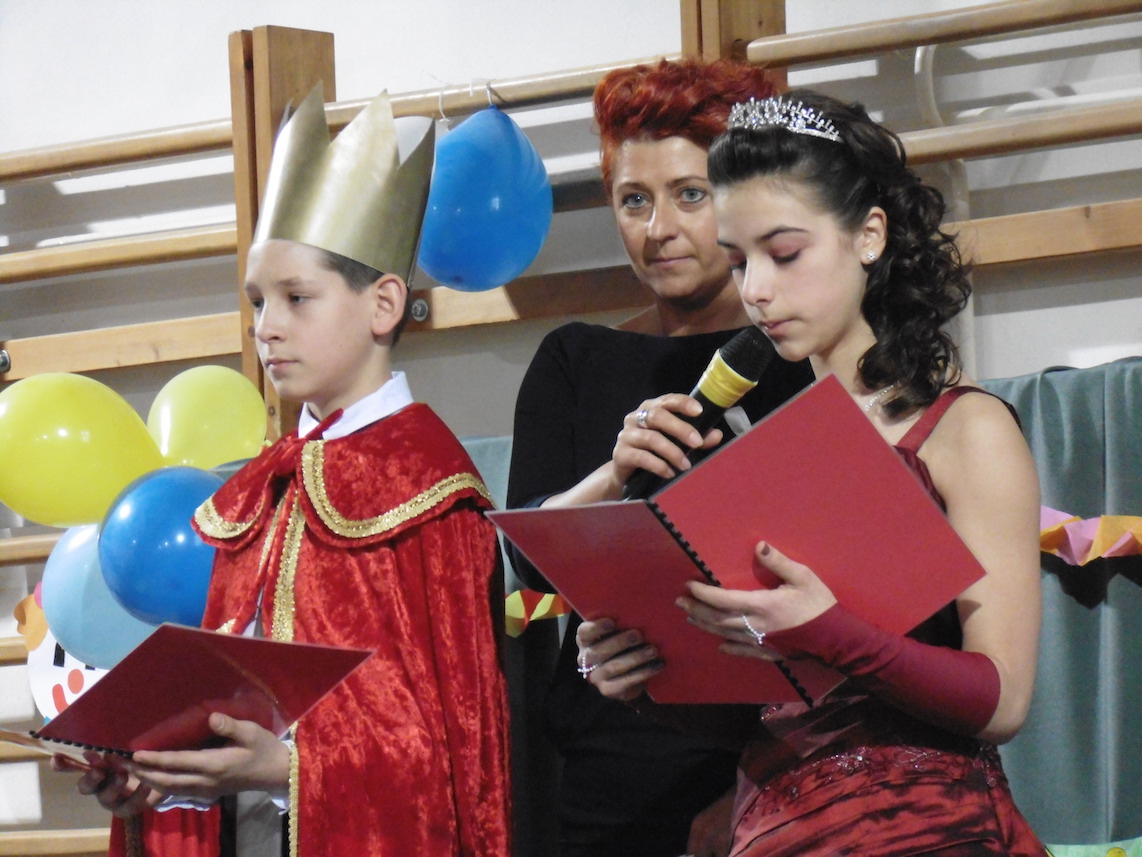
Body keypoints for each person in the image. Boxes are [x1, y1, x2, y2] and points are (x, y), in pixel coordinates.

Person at [576, 89, 1048, 856]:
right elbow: (780, 715)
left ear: (869, 236)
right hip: (773, 830)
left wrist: (826, 629)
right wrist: (648, 681)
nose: (755, 289)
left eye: (785, 253)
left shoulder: (967, 429)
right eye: (739, 260)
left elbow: (1005, 699)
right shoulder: (765, 449)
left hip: (925, 832)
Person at [59, 88, 512, 857]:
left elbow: (457, 765)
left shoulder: (430, 497)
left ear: (384, 304)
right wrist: (156, 773)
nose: (267, 327)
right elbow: (223, 720)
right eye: (257, 301)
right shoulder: (259, 494)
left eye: (297, 298)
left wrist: (289, 770)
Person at [505, 59, 814, 857]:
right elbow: (530, 562)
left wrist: (752, 785)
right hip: (601, 770)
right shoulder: (573, 358)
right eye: (634, 200)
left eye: (690, 195)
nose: (658, 228)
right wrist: (614, 474)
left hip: (777, 769)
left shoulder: (803, 356)